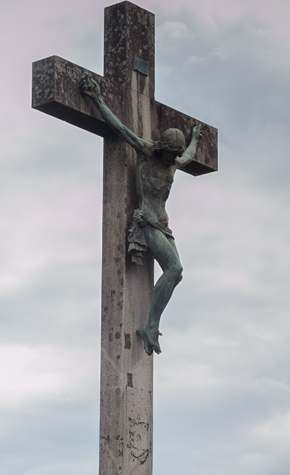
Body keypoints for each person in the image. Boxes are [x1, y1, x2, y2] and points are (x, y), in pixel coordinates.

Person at [79, 74, 203, 355]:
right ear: (163, 150)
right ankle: (150, 326)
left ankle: (151, 325)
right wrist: (97, 99)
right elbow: (121, 129)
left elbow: (189, 156)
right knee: (175, 269)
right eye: (171, 155)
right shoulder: (148, 153)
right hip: (147, 221)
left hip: (163, 224)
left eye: (176, 156)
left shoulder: (173, 163)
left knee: (177, 274)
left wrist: (194, 138)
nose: (174, 161)